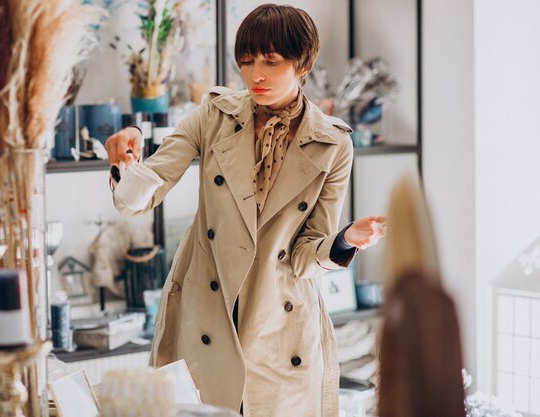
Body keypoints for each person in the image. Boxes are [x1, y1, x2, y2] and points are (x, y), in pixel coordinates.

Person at [105, 4, 386, 416]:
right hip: (207, 311)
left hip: (280, 325)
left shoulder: (333, 144)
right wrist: (126, 163)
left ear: (301, 63)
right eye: (247, 61)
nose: (255, 74)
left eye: (271, 62)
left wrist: (345, 241)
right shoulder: (213, 116)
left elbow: (306, 255)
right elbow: (138, 199)